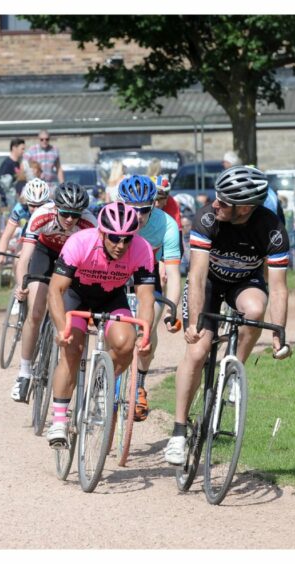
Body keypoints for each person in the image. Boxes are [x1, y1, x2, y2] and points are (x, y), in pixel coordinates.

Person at [164, 165, 292, 465]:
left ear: (245, 208)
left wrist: (278, 336)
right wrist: (195, 323)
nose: (215, 203)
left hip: (245, 283)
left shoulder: (271, 229)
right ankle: (179, 432)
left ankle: (234, 371)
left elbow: (280, 288)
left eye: (224, 201)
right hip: (208, 283)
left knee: (256, 309)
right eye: (217, 197)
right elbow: (196, 276)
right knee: (197, 353)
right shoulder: (207, 217)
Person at [44, 202, 155, 446]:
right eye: (114, 238)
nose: (120, 245)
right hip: (77, 295)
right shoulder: (80, 242)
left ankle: (100, 382)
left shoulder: (142, 249)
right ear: (102, 232)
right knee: (72, 350)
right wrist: (63, 329)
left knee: (126, 345)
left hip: (111, 297)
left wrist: (144, 335)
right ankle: (59, 421)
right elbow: (55, 290)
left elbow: (146, 298)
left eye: (127, 239)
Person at [10, 182, 96, 402]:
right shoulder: (41, 215)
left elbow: (93, 262)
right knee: (36, 312)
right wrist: (21, 285)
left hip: (73, 258)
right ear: (56, 208)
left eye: (75, 215)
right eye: (65, 213)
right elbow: (25, 258)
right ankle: (24, 372)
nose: (70, 220)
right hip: (45, 253)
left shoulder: (89, 223)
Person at [117, 175, 182, 420]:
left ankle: (140, 384)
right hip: (116, 267)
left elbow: (174, 274)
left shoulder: (167, 225)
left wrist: (171, 310)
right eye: (133, 211)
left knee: (148, 324)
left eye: (145, 210)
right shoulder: (110, 217)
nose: (139, 217)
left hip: (147, 269)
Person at [0, 178, 51, 272]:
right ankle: (20, 284)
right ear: (26, 202)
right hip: (29, 229)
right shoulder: (20, 208)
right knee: (18, 258)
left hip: (47, 232)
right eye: (32, 205)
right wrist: (1, 254)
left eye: (40, 205)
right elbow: (6, 235)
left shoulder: (52, 207)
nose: (36, 210)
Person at [0, 138, 27, 207]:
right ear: (14, 148)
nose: (23, 151)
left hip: (15, 201)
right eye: (22, 149)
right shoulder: (7, 164)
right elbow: (6, 186)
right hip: (6, 202)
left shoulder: (17, 163)